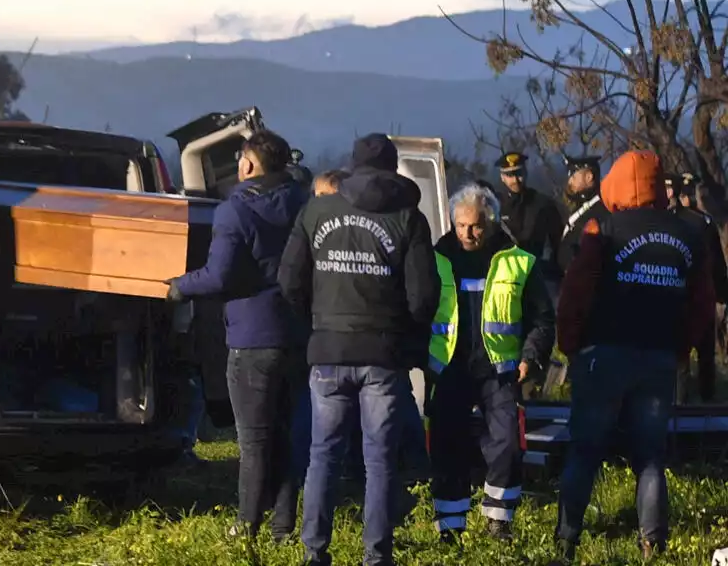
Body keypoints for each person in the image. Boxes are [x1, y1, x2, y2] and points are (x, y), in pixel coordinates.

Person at [279, 133, 441, 566]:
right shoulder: (409, 218)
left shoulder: (316, 210)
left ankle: (314, 552)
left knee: (322, 456)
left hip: (327, 351)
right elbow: (424, 297)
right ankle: (376, 556)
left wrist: (317, 321)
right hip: (383, 356)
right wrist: (403, 334)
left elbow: (289, 281)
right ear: (392, 169)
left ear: (351, 167)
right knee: (379, 460)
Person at [551, 150, 715, 563]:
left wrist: (571, 345)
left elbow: (576, 293)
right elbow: (702, 305)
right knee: (650, 457)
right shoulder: (688, 237)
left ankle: (566, 541)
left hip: (602, 356)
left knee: (585, 451)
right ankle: (652, 545)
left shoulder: (602, 229)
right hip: (658, 359)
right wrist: (681, 351)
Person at [166, 129, 310, 543]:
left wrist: (180, 286)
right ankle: (284, 526)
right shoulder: (303, 203)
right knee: (283, 433)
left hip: (251, 336)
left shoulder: (235, 210)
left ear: (247, 164)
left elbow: (219, 276)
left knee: (253, 439)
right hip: (295, 334)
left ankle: (246, 526)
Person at [427, 183, 555, 543]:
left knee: (506, 446)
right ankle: (449, 528)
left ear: (492, 222)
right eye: (461, 225)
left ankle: (499, 519)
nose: (468, 233)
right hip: (449, 369)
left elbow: (543, 319)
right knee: (447, 446)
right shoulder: (434, 259)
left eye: (476, 225)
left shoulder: (519, 261)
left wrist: (531, 356)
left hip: (499, 370)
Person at [669, 172, 728, 402]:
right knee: (703, 353)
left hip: (685, 294)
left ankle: (686, 400)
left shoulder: (696, 223)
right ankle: (705, 398)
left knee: (685, 354)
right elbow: (717, 266)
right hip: (700, 294)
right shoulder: (702, 222)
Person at [494, 152, 565, 286]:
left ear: (526, 172)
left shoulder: (542, 204)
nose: (515, 180)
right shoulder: (496, 206)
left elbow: (558, 242)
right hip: (504, 278)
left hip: (536, 274)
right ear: (502, 177)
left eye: (519, 173)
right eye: (510, 175)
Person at [558, 154, 609, 275]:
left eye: (574, 176)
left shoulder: (601, 211)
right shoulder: (581, 207)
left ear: (589, 177)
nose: (570, 181)